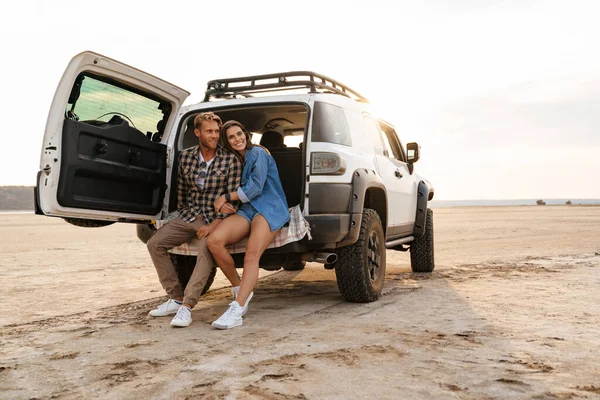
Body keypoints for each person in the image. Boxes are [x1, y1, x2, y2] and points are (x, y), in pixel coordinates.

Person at [146, 112, 242, 327]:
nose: (215, 135)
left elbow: (233, 201)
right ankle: (176, 296)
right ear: (197, 132)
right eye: (209, 131)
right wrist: (186, 215)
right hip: (190, 215)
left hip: (217, 219)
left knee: (205, 249)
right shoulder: (186, 157)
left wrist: (213, 224)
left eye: (217, 131)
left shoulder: (230, 160)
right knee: (155, 244)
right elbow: (181, 192)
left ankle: (186, 307)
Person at [207, 120, 290, 329]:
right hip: (246, 209)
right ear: (227, 142)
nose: (237, 139)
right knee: (214, 241)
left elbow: (255, 188)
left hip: (269, 206)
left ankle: (237, 308)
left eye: (239, 134)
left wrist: (225, 197)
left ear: (246, 133)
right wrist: (225, 204)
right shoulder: (233, 160)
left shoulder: (259, 153)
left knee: (251, 254)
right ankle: (240, 287)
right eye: (231, 137)